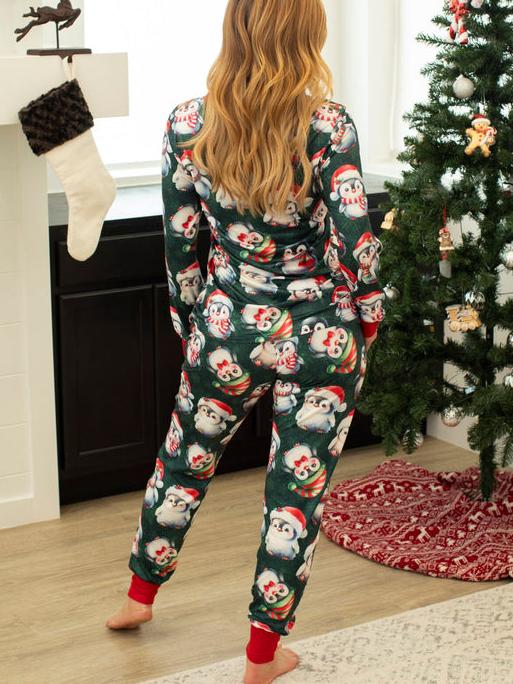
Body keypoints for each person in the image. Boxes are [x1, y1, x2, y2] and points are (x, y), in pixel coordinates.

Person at [106, 1, 385, 682]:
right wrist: (370, 317)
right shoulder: (326, 126)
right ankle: (262, 655)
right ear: (306, 34)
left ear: (233, 29)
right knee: (295, 494)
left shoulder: (187, 123)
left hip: (226, 327)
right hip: (321, 334)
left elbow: (180, 245)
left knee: (183, 462)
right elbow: (355, 243)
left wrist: (192, 323)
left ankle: (138, 597)